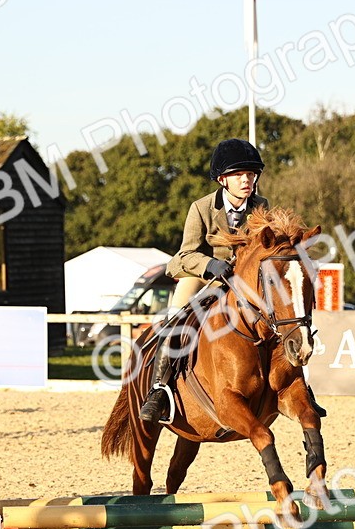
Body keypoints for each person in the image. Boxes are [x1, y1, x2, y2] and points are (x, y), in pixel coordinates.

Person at [138, 138, 327, 423]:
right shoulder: (201, 208)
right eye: (240, 174)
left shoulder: (261, 206)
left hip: (245, 284)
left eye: (251, 174)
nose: (247, 180)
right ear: (223, 179)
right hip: (203, 277)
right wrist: (211, 265)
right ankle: (159, 391)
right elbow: (184, 255)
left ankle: (300, 389)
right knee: (176, 320)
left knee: (282, 321)